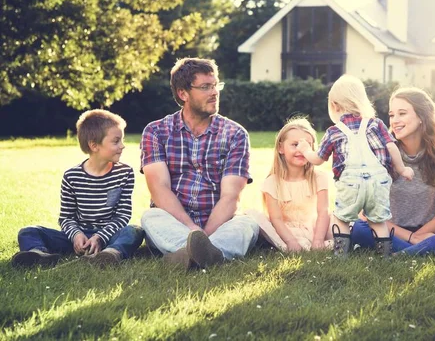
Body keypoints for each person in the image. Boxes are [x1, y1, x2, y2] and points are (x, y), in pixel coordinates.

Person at [140, 58, 259, 270]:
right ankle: (208, 253)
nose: (214, 92)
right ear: (183, 93)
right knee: (151, 216)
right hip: (174, 224)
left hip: (220, 224)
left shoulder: (236, 134)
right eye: (205, 87)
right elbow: (159, 190)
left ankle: (189, 254)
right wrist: (192, 230)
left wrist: (205, 235)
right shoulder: (156, 131)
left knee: (247, 223)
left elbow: (231, 197)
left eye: (216, 85)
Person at [297, 74, 414, 258]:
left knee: (341, 218)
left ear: (334, 105)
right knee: (378, 221)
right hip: (378, 183)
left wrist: (305, 150)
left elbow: (319, 159)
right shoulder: (376, 124)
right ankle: (384, 256)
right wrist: (402, 169)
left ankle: (340, 255)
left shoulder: (334, 131)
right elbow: (391, 147)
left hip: (350, 184)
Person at [351, 87, 435, 255]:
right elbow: (368, 215)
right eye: (391, 115)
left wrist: (419, 237)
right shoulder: (380, 154)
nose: (394, 120)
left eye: (402, 113)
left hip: (428, 232)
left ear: (421, 117)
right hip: (387, 230)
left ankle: (404, 253)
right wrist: (411, 238)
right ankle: (421, 251)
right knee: (358, 227)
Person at [12, 109, 144, 267]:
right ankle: (38, 254)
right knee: (28, 231)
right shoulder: (71, 176)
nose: (122, 146)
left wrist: (99, 237)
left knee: (134, 231)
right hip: (78, 236)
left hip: (108, 236)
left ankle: (110, 254)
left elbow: (122, 215)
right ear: (94, 145)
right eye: (116, 141)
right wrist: (76, 235)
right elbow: (66, 217)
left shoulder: (125, 173)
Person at [246, 118, 330, 252]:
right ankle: (292, 246)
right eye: (295, 144)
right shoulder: (272, 182)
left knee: (339, 221)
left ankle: (320, 244)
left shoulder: (319, 177)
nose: (301, 150)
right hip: (286, 230)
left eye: (306, 146)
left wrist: (318, 239)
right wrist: (291, 241)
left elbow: (323, 212)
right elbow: (276, 219)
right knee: (254, 216)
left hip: (313, 227)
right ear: (281, 148)